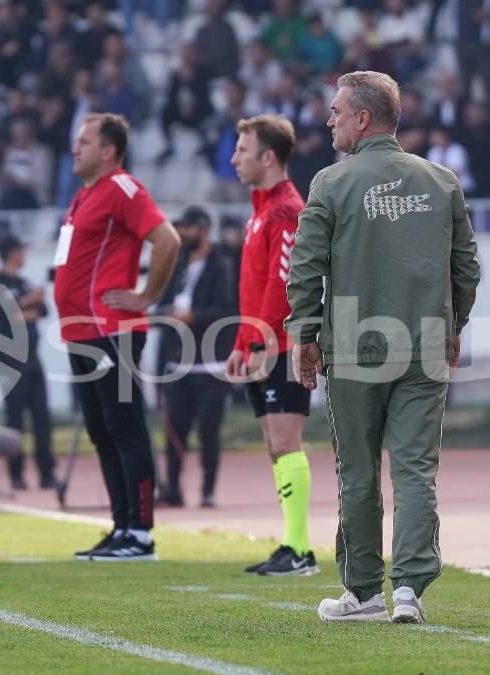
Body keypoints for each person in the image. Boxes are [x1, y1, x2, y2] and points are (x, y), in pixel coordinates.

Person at [286, 71, 480, 623]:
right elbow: (465, 266)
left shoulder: (331, 183)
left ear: (363, 118)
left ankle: (364, 592)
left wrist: (304, 333)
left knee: (360, 472)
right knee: (416, 470)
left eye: (336, 112)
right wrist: (452, 323)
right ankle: (410, 593)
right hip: (426, 344)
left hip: (355, 345)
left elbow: (306, 266)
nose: (329, 122)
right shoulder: (441, 180)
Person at [54, 113, 180, 561]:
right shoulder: (83, 196)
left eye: (84, 141)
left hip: (113, 333)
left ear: (108, 150)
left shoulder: (123, 188)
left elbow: (166, 239)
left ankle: (141, 533)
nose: (75, 148)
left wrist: (146, 295)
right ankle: (122, 525)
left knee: (125, 428)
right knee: (102, 432)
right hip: (82, 334)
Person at [225, 113, 318, 577]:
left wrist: (260, 340)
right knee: (274, 446)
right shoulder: (262, 210)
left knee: (286, 442)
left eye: (242, 150)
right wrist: (243, 342)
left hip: (281, 344)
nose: (234, 158)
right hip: (263, 343)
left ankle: (299, 550)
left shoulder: (284, 210)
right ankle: (292, 544)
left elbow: (283, 285)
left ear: (268, 156)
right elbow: (256, 284)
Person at [155, 206, 237, 508]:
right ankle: (172, 489)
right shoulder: (177, 265)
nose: (183, 234)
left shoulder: (221, 265)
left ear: (203, 230)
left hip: (211, 363)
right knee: (175, 431)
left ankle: (207, 491)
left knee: (208, 431)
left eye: (188, 228)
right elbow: (163, 303)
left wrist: (194, 317)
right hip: (178, 363)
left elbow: (228, 310)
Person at [0, 235, 55, 491]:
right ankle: (16, 475)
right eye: (21, 251)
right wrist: (27, 306)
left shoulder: (24, 282)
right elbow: (3, 317)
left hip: (33, 358)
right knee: (15, 420)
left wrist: (22, 311)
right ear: (12, 253)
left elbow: (43, 311)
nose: (24, 255)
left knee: (42, 418)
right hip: (10, 361)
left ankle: (46, 473)